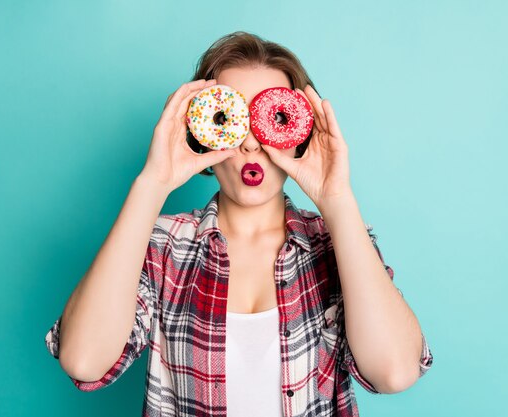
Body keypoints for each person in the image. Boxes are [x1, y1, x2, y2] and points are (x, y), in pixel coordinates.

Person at [44, 31, 434, 417]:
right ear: (201, 134)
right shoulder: (163, 247)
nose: (250, 144)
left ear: (302, 134)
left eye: (274, 118)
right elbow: (83, 360)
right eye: (230, 118)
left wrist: (338, 200)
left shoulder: (337, 246)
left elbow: (394, 372)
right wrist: (152, 183)